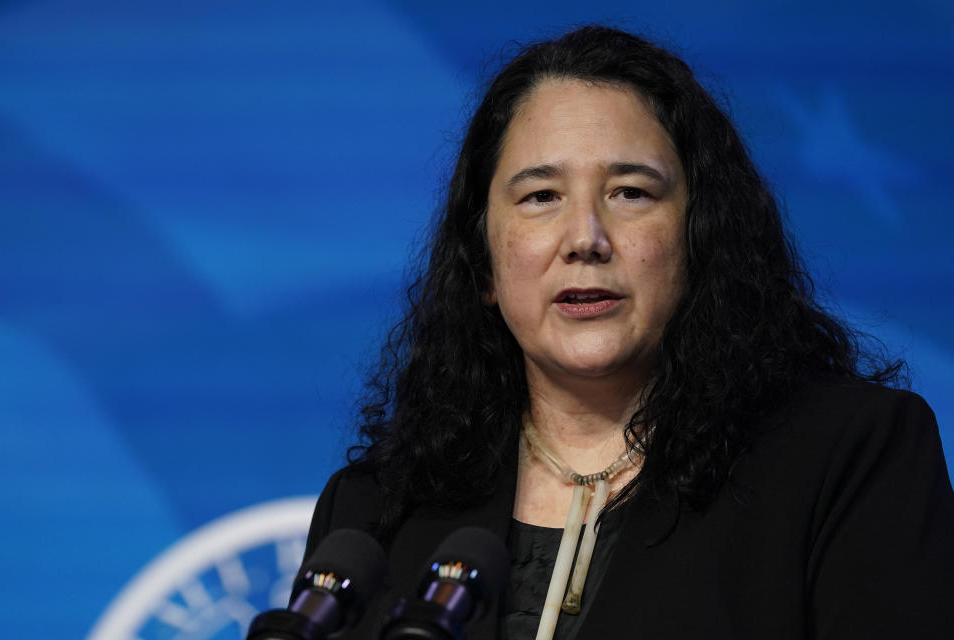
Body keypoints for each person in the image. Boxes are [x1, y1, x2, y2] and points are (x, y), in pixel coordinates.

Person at [298, 25, 954, 639]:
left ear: (700, 238)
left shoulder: (846, 459)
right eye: (540, 197)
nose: (585, 238)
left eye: (631, 193)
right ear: (485, 266)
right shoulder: (372, 515)